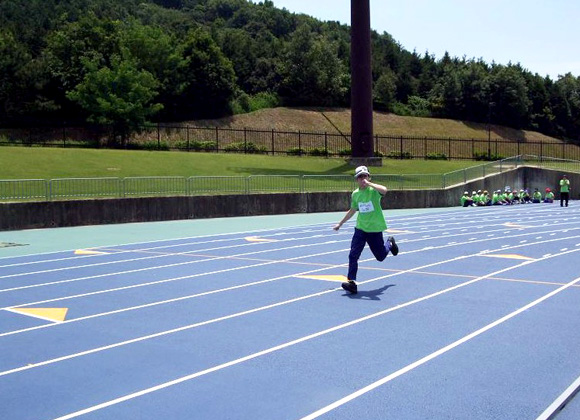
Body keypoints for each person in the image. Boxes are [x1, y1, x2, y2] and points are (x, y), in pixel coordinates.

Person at [333, 165, 399, 294]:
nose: (362, 179)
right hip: (361, 229)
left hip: (374, 229)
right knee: (353, 255)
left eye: (365, 176)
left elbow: (384, 190)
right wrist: (340, 224)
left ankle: (390, 243)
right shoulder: (356, 194)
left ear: (369, 177)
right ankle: (352, 282)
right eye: (360, 177)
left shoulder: (373, 191)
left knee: (380, 257)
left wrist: (370, 184)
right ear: (356, 180)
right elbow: (353, 210)